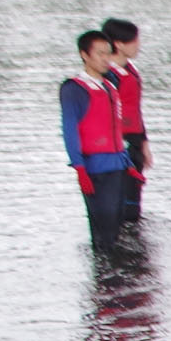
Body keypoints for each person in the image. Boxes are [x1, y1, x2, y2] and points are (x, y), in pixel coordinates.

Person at [62, 30, 130, 250]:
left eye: (108, 53)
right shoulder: (74, 89)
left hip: (117, 166)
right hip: (95, 170)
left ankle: (111, 279)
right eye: (99, 53)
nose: (106, 59)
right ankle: (102, 279)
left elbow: (116, 129)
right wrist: (80, 168)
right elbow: (70, 129)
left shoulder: (109, 86)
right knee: (103, 234)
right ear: (85, 55)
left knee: (117, 228)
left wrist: (127, 163)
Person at [100, 17, 149, 224]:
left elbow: (135, 111)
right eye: (134, 41)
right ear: (118, 45)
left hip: (135, 143)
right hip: (118, 147)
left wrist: (144, 144)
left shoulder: (130, 71)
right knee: (121, 205)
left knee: (134, 204)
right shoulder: (109, 76)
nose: (138, 45)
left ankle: (133, 242)